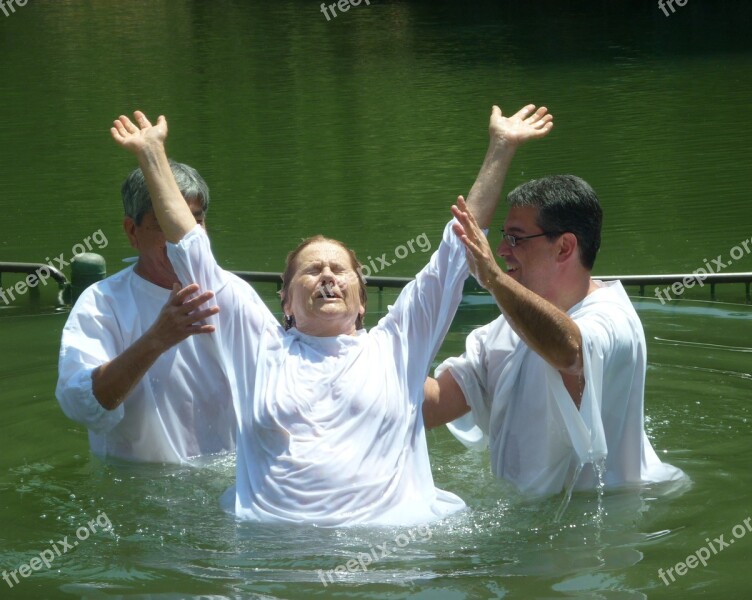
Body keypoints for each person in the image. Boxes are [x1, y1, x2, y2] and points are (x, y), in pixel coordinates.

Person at [109, 104, 553, 526]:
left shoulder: (396, 346)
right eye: (311, 270)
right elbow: (191, 248)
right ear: (284, 303)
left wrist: (501, 147)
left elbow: (459, 246)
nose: (327, 276)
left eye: (340, 270)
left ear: (362, 302)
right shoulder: (258, 349)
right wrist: (153, 155)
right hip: (271, 555)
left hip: (390, 557)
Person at [423, 174, 687, 496]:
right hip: (526, 521)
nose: (502, 250)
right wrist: (360, 349)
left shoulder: (612, 319)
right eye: (504, 236)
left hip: (603, 525)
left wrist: (493, 279)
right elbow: (430, 405)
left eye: (516, 238)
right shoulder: (504, 330)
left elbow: (569, 352)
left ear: (564, 247)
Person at [56, 162, 260, 463]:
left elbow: (283, 385)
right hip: (137, 488)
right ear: (132, 231)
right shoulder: (102, 302)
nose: (181, 239)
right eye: (166, 225)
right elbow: (82, 405)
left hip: (228, 485)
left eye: (193, 223)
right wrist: (156, 340)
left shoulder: (234, 293)